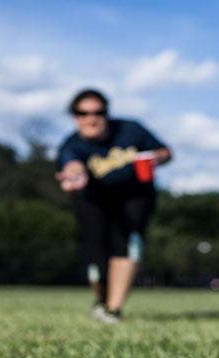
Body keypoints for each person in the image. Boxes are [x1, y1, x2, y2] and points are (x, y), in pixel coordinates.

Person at [56, 88, 172, 324]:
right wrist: (74, 174)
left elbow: (165, 151)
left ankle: (113, 310)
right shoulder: (71, 145)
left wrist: (156, 158)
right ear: (75, 116)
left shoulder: (131, 129)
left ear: (107, 113)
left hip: (134, 197)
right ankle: (103, 301)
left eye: (99, 112)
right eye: (84, 113)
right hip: (93, 200)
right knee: (97, 259)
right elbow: (72, 164)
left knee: (126, 245)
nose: (92, 118)